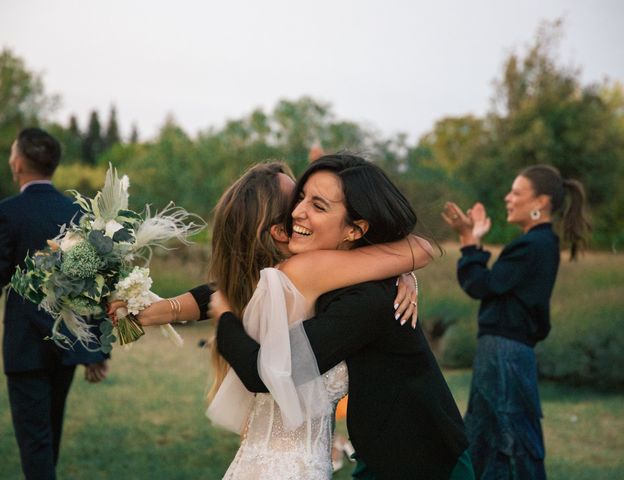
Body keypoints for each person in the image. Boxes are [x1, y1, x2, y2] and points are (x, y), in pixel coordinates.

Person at [110, 159, 427, 478]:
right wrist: (402, 267)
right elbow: (420, 248)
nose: (301, 209)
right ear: (278, 230)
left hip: (258, 463)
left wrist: (163, 309)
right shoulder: (304, 272)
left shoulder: (259, 286)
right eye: (296, 201)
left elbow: (218, 292)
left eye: (310, 200)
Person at [213, 154, 474, 480]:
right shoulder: (337, 277)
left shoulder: (367, 299)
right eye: (301, 198)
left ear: (354, 230)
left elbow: (265, 373)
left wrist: (223, 314)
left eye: (318, 206)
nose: (296, 212)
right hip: (380, 457)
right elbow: (255, 282)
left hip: (427, 464)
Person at [442, 164, 590, 479]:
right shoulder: (538, 244)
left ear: (541, 203)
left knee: (510, 439)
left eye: (517, 192)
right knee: (490, 436)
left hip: (504, 354)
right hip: (503, 352)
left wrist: (468, 239)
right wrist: (475, 241)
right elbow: (494, 286)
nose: (508, 198)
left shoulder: (533, 245)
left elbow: (481, 285)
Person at [0, 128, 109, 480]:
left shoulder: (8, 212)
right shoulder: (76, 212)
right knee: (48, 439)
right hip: (66, 345)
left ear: (18, 162)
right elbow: (95, 283)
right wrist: (97, 348)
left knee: (36, 445)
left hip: (26, 349)